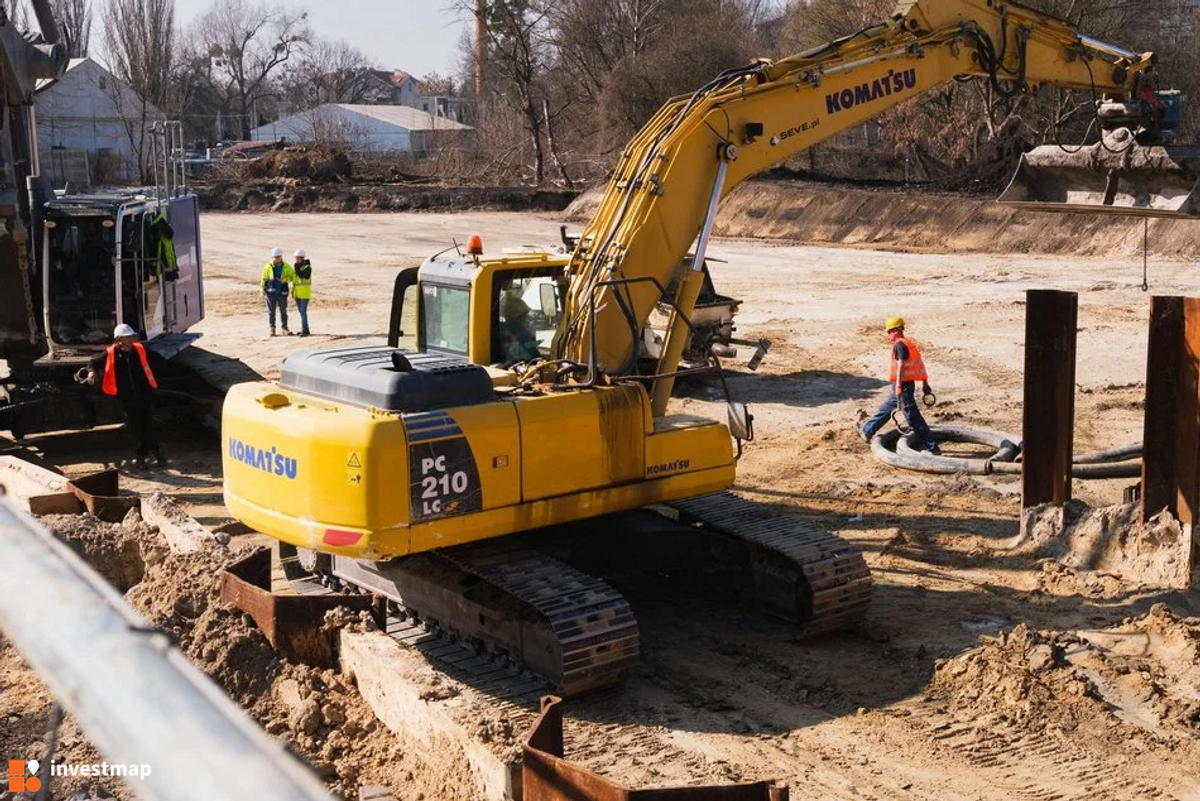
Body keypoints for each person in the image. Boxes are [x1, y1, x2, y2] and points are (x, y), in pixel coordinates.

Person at [87, 323, 165, 469]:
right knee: (135, 426)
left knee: (147, 425)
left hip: (144, 395)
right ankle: (148, 453)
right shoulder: (111, 353)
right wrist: (91, 372)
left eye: (132, 336)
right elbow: (93, 362)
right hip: (126, 397)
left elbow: (160, 361)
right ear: (119, 339)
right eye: (128, 337)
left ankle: (149, 454)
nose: (131, 339)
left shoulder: (140, 350)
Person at [859, 316, 941, 454]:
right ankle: (867, 430)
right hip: (905, 384)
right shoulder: (909, 344)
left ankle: (932, 448)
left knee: (913, 418)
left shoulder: (899, 345)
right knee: (887, 409)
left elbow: (901, 366)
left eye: (890, 331)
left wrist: (898, 386)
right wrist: (925, 383)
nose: (888, 335)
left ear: (896, 330)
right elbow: (919, 365)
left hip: (903, 386)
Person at [260, 247, 295, 336]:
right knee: (271, 311)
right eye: (275, 257)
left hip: (282, 292)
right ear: (273, 257)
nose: (277, 258)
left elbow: (292, 277)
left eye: (278, 256)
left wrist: (285, 279)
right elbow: (264, 278)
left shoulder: (287, 266)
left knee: (283, 311)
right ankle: (272, 328)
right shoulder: (268, 266)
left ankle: (285, 328)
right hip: (271, 292)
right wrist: (262, 289)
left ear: (281, 256)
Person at [499, 291, 540, 364]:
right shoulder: (523, 335)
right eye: (526, 315)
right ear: (520, 317)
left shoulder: (500, 330)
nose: (528, 319)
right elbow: (536, 358)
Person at [292, 248, 313, 337]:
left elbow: (302, 275)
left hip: (304, 293)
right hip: (297, 293)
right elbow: (293, 278)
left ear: (302, 258)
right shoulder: (296, 268)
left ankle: (304, 330)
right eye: (295, 258)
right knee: (301, 312)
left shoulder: (307, 267)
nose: (296, 260)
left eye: (297, 258)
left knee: (303, 311)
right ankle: (306, 329)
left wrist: (296, 268)